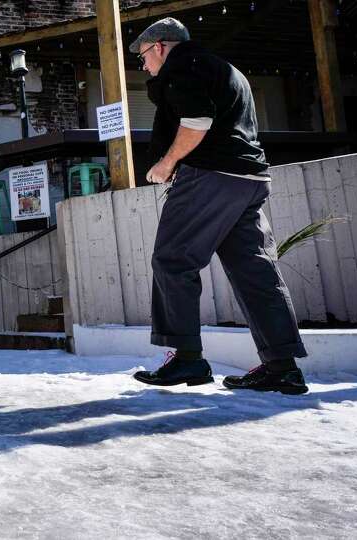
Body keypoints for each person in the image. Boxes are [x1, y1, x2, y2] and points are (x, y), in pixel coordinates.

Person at [127, 18, 309, 395]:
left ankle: (187, 358)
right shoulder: (228, 71)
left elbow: (197, 121)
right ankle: (282, 366)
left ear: (160, 46)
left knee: (173, 259)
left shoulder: (185, 66)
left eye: (143, 56)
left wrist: (164, 164)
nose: (143, 65)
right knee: (254, 271)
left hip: (210, 175)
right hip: (250, 179)